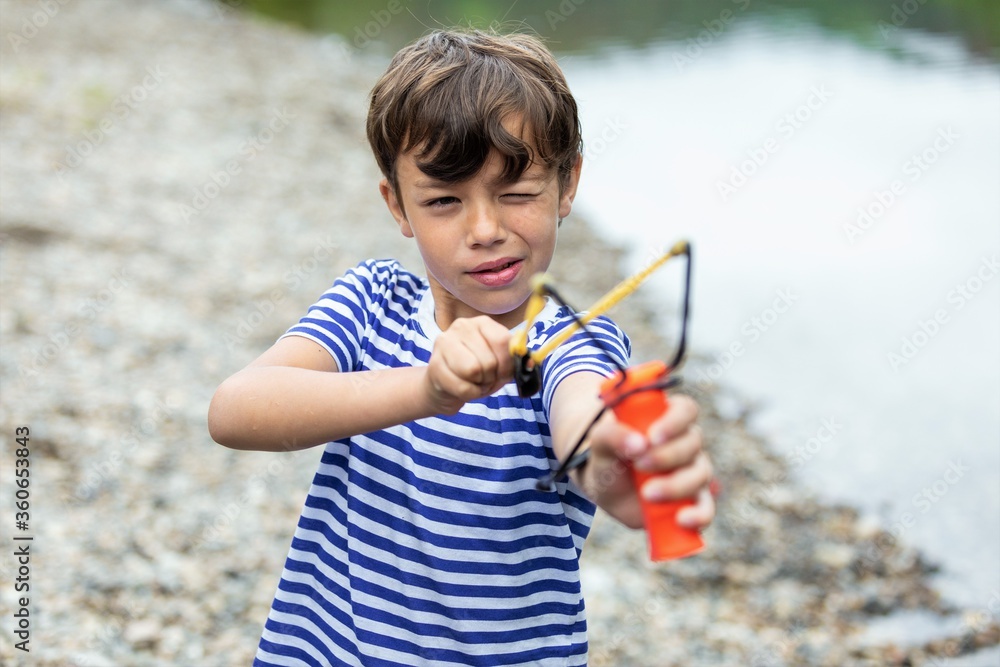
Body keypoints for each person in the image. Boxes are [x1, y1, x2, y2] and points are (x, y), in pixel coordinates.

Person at [209, 27, 714, 667]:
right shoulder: (370, 303)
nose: (485, 230)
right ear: (398, 205)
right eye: (445, 200)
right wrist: (427, 389)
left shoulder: (569, 343)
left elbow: (589, 431)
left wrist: (627, 467)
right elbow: (235, 410)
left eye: (517, 193)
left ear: (567, 186)